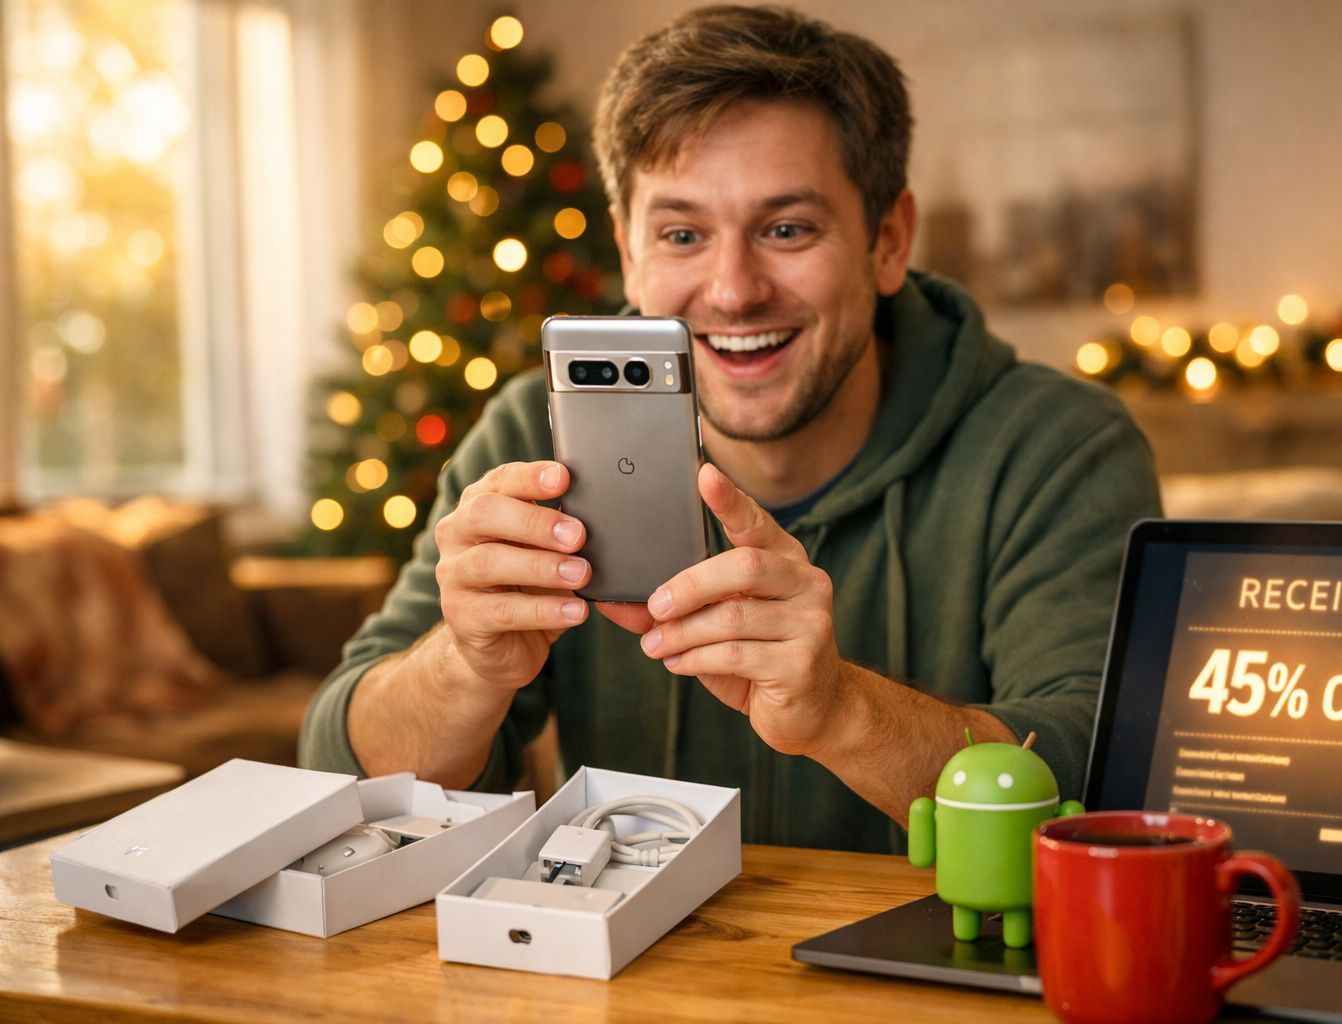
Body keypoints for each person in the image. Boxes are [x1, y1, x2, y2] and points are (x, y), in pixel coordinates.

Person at [300, 4, 1161, 853]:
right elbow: (339, 775)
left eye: (787, 229)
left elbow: (1106, 792)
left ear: (889, 241)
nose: (733, 290)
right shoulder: (536, 436)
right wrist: (463, 666)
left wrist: (841, 711)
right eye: (682, 234)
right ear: (630, 255)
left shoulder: (1056, 448)